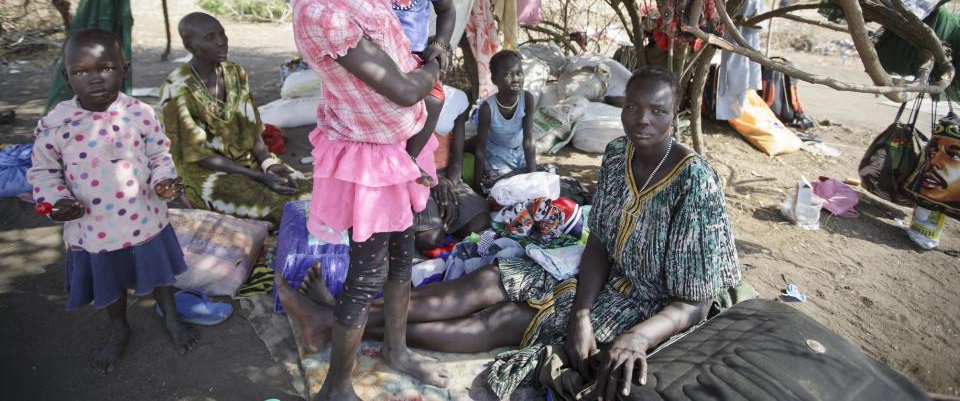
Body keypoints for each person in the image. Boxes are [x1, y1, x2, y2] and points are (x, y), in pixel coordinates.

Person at [277, 66, 742, 400]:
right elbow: (598, 239)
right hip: (596, 275)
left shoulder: (694, 182)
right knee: (487, 281)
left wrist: (637, 339)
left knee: (505, 320)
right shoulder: (619, 154)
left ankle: (334, 323)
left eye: (658, 111)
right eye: (635, 107)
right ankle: (341, 318)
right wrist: (581, 311)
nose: (643, 120)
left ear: (675, 116)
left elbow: (695, 301)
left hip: (650, 306)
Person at [290, 0, 449, 399]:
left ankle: (399, 351)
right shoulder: (321, 8)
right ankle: (338, 385)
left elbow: (397, 52)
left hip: (400, 146)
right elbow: (405, 86)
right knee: (366, 274)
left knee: (404, 256)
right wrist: (434, 67)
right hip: (371, 155)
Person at [27, 28, 199, 373]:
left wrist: (164, 181)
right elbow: (43, 173)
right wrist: (58, 202)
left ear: (124, 69)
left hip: (144, 218)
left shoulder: (140, 113)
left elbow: (159, 154)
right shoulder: (56, 125)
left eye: (105, 68)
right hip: (94, 228)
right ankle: (119, 328)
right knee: (111, 283)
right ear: (67, 76)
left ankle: (171, 316)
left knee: (160, 275)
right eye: (81, 71)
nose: (94, 79)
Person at [159, 12, 310, 226]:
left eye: (222, 34)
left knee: (308, 192)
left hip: (249, 161)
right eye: (210, 37)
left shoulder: (234, 73)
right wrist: (259, 177)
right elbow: (200, 156)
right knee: (283, 207)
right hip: (207, 174)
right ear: (190, 45)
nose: (221, 42)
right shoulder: (178, 89)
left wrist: (267, 164)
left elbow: (252, 128)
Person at [368, 0, 456, 185]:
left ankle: (411, 157)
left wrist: (441, 44)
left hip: (413, 58)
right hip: (371, 56)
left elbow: (447, 12)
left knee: (434, 101)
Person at [415, 107, 491, 250]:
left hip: (448, 176)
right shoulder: (405, 98)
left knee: (480, 223)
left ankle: (456, 239)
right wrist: (434, 181)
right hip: (416, 177)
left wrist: (451, 187)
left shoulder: (456, 100)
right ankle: (447, 236)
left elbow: (457, 158)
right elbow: (405, 156)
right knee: (430, 240)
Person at [474, 49, 537, 190]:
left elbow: (528, 140)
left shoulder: (527, 99)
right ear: (494, 80)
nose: (515, 79)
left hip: (521, 152)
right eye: (508, 74)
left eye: (519, 73)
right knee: (507, 188)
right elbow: (481, 147)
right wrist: (476, 184)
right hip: (498, 154)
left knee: (533, 182)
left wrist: (534, 178)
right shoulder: (487, 108)